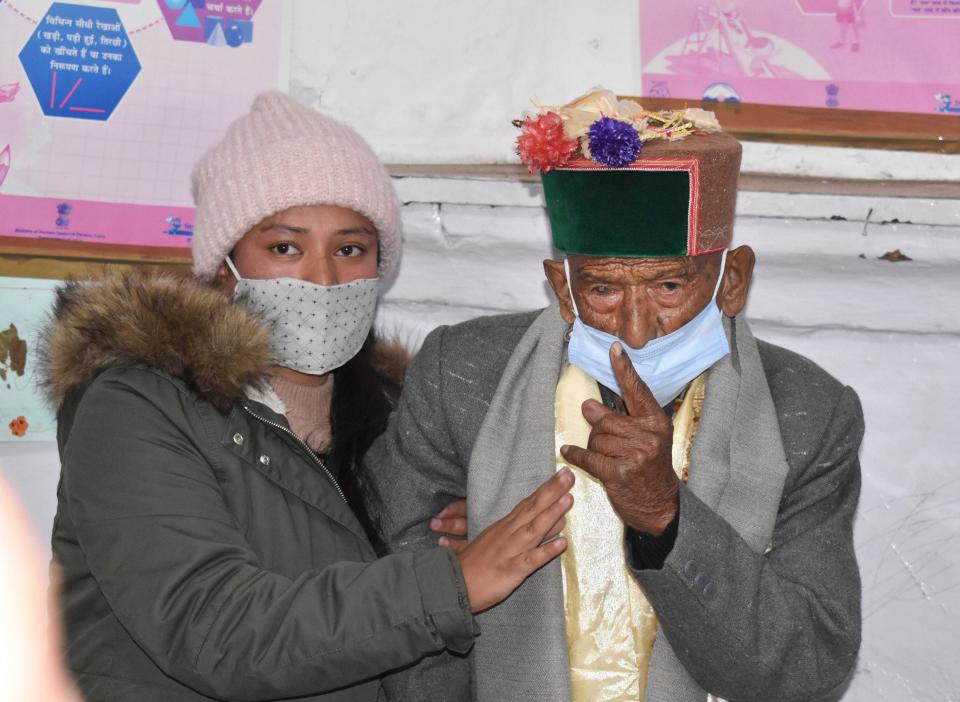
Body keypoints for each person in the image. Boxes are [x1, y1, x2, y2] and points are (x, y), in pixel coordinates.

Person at [40, 91, 573, 701]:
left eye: (350, 249)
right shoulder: (137, 407)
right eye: (285, 247)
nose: (323, 279)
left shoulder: (402, 416)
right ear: (225, 266)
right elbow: (214, 630)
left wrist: (470, 531)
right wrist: (454, 581)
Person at [365, 90, 863, 702]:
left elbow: (807, 669)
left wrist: (666, 516)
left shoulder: (807, 414)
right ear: (563, 289)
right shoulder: (464, 379)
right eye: (602, 289)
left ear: (732, 281)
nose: (635, 329)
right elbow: (400, 611)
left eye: (670, 285)